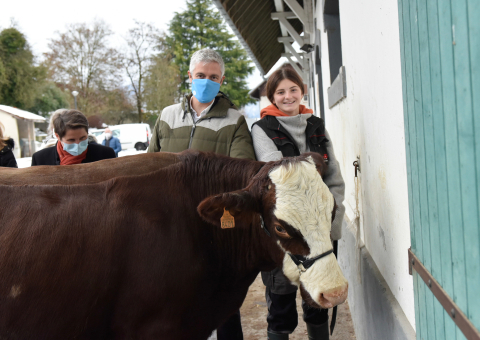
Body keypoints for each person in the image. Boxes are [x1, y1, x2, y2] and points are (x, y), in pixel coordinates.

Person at [148, 48, 254, 340]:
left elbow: (241, 171)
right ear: (189, 77)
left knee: (219, 295)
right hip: (169, 220)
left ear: (222, 81)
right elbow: (149, 162)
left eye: (213, 77)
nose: (206, 81)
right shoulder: (168, 115)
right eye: (200, 76)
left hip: (211, 221)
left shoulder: (234, 120)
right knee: (170, 292)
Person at [251, 65, 346, 340]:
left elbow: (335, 180)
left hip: (321, 235)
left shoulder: (316, 125)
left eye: (293, 89)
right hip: (285, 235)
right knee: (280, 306)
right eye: (280, 92)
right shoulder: (262, 129)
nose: (288, 96)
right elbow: (281, 174)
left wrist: (331, 225)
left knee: (319, 301)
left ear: (302, 91)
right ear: (272, 96)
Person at [31, 109, 115, 166]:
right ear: (58, 136)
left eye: (82, 138)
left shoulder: (106, 155)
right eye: (71, 140)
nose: (78, 144)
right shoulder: (40, 160)